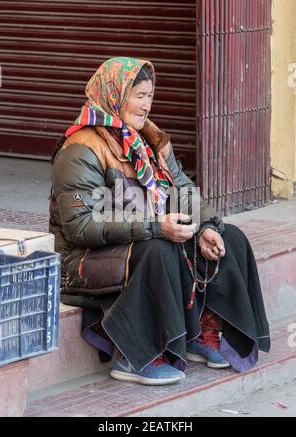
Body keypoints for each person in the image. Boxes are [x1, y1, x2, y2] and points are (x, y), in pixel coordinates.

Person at [49, 57, 270, 386]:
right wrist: (156, 226)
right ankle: (133, 355)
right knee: (159, 248)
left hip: (139, 241)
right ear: (114, 94)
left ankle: (195, 331)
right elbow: (80, 226)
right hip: (84, 261)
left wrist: (207, 225)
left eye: (150, 96)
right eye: (138, 95)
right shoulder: (80, 149)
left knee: (230, 237)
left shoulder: (147, 143)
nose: (146, 106)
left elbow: (182, 192)